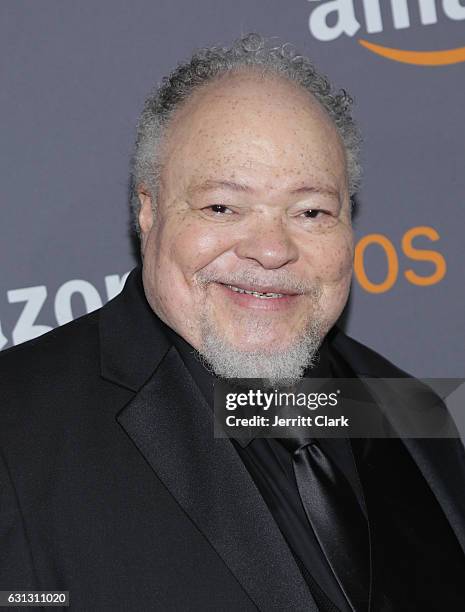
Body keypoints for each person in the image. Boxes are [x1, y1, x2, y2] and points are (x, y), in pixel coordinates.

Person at [1, 33, 464, 612]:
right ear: (147, 210)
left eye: (312, 211)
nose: (271, 250)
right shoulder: (17, 427)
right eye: (223, 206)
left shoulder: (409, 408)